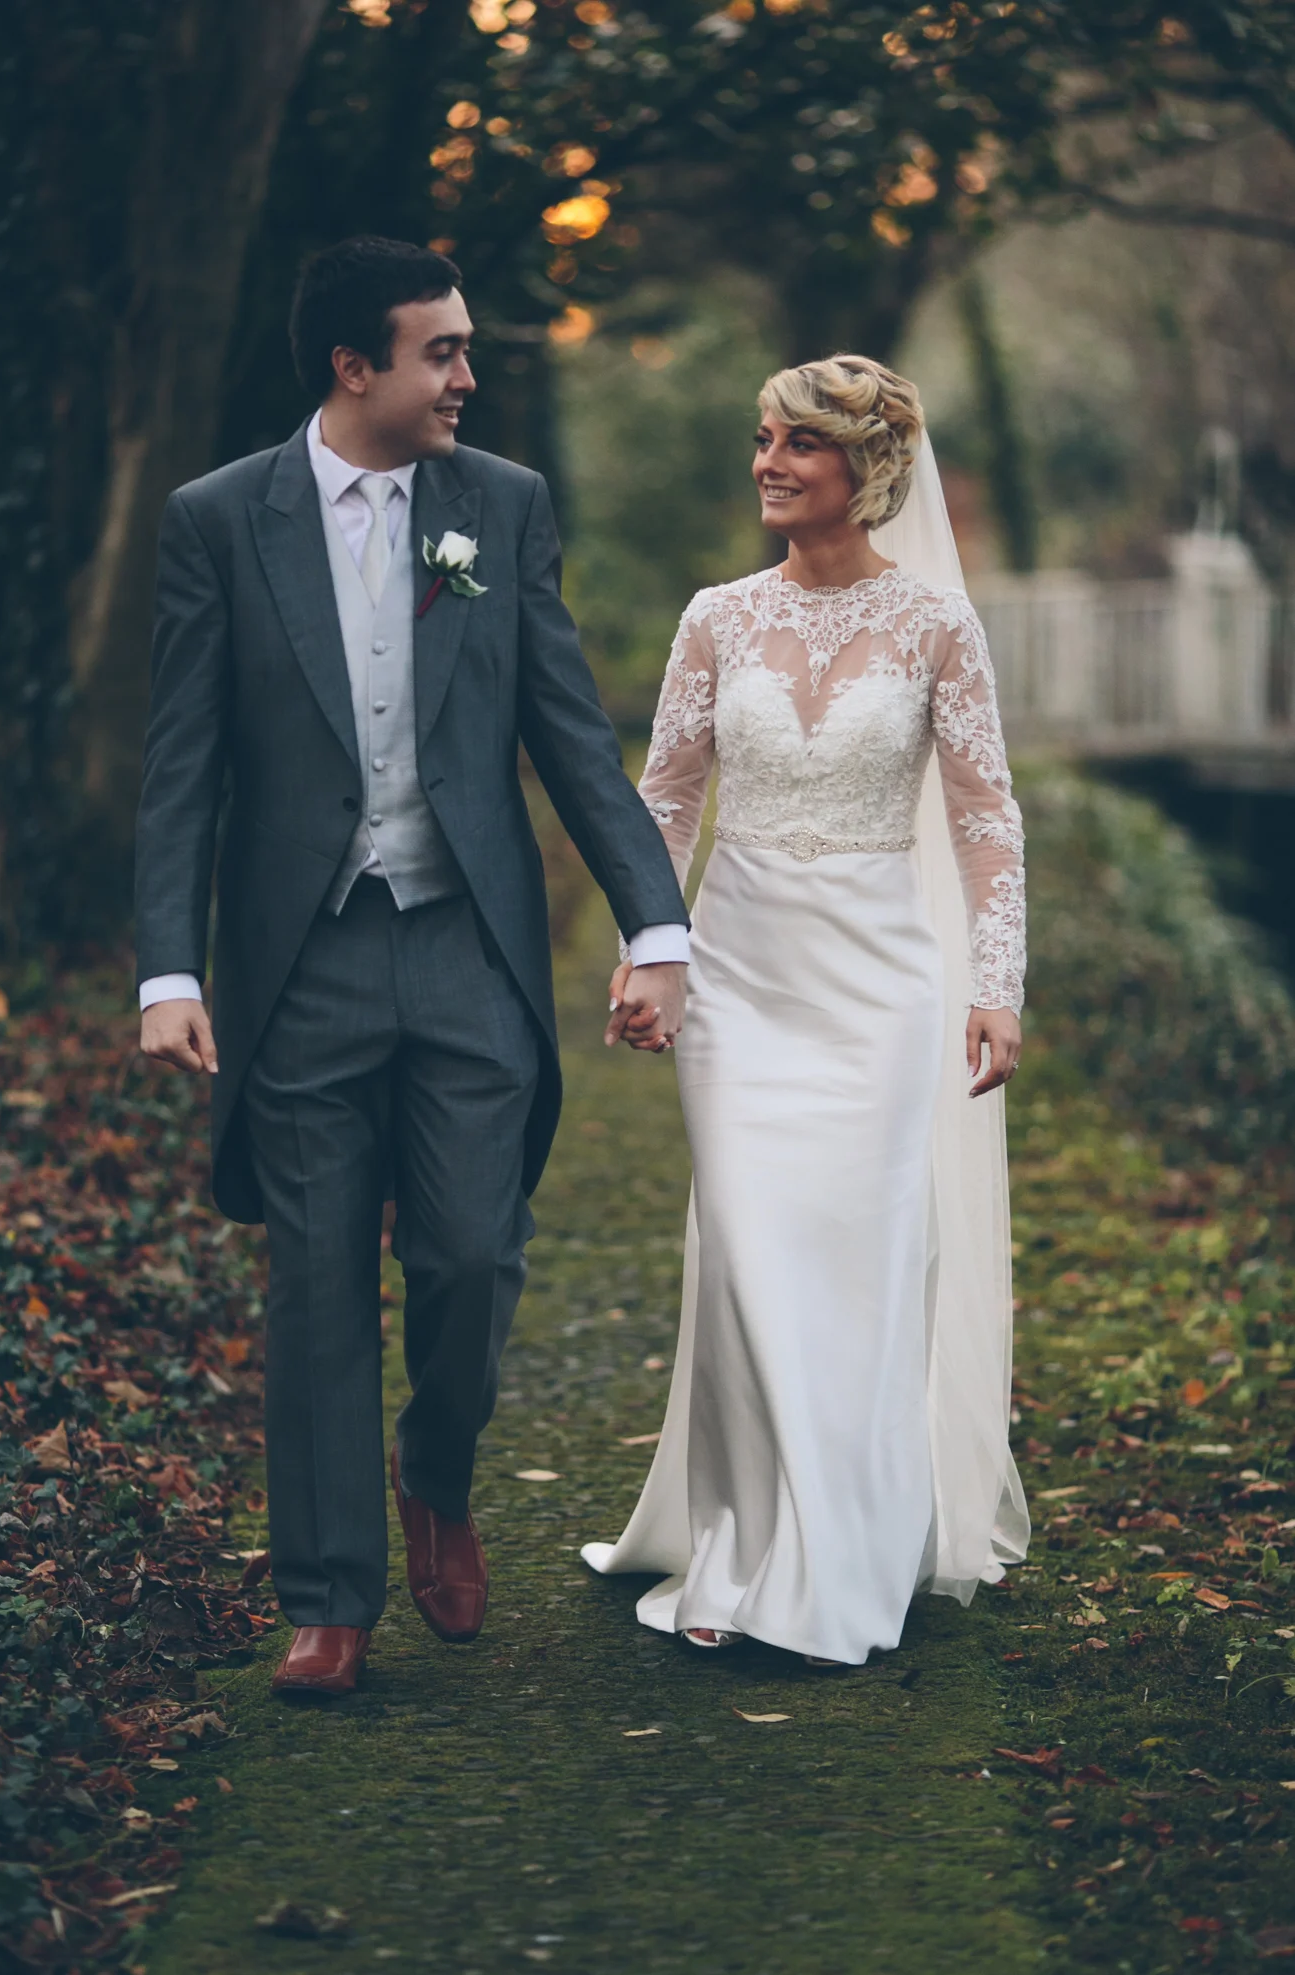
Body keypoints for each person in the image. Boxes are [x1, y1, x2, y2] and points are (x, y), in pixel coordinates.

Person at [135, 237, 689, 1697]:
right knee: (314, 1283)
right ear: (352, 367)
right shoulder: (216, 521)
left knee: (468, 1257)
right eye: (441, 350)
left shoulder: (498, 507)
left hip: (467, 947)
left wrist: (658, 921)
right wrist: (164, 970)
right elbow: (180, 766)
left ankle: (434, 1470)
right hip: (299, 965)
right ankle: (327, 1600)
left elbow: (569, 731)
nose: (468, 373)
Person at [583, 355, 1030, 1666]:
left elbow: (985, 816)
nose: (769, 462)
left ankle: (849, 1546)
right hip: (741, 971)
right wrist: (646, 952)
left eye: (798, 444)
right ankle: (736, 1542)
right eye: (763, 439)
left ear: (865, 469)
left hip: (882, 985)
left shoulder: (940, 625)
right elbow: (663, 799)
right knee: (748, 1248)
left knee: (857, 1259)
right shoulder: (716, 618)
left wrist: (995, 984)